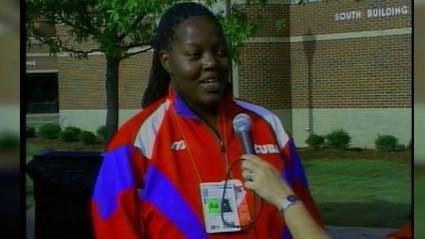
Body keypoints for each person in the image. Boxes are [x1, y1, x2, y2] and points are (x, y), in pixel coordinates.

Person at [91, 2, 329, 239]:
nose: (211, 62)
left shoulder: (267, 124)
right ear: (166, 60)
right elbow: (113, 227)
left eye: (221, 52)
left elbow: (306, 220)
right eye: (195, 54)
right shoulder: (135, 141)